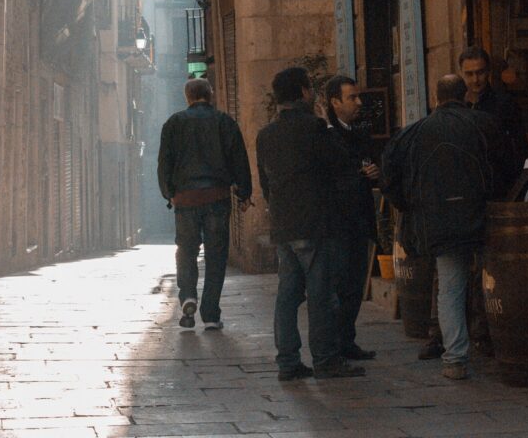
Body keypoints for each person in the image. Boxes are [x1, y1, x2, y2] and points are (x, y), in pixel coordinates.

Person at [380, 74, 517, 380]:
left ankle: (455, 358)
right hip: (482, 217)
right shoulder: (484, 124)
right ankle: (495, 344)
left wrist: (411, 207)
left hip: (438, 223)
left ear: (435, 96)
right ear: (464, 93)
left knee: (450, 288)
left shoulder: (413, 134)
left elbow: (389, 177)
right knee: (492, 281)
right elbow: (509, 165)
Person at [256, 67, 365, 381]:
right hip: (314, 224)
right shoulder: (315, 128)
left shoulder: (265, 135)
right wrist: (328, 125)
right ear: (304, 92)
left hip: (283, 225)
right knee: (320, 294)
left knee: (288, 295)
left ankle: (288, 362)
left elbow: (266, 183)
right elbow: (341, 163)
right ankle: (326, 360)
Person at [158, 77, 252, 330]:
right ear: (210, 95)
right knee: (216, 255)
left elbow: (164, 162)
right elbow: (239, 159)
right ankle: (210, 313)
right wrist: (244, 192)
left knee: (186, 250)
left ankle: (188, 295)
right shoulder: (225, 122)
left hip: (186, 199)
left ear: (188, 97)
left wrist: (169, 193)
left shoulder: (173, 123)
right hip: (217, 198)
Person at [324, 75, 378, 361]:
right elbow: (334, 179)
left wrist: (372, 172)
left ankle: (347, 340)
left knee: (355, 285)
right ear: (335, 102)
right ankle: (336, 343)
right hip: (339, 224)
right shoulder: (327, 136)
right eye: (352, 97)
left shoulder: (360, 132)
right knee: (341, 285)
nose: (359, 102)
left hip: (360, 220)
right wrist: (359, 174)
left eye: (358, 97)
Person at [459, 45, 528, 171]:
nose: (475, 79)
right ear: (461, 73)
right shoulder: (458, 106)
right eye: (469, 74)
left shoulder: (505, 104)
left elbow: (520, 148)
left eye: (480, 72)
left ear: (488, 71)